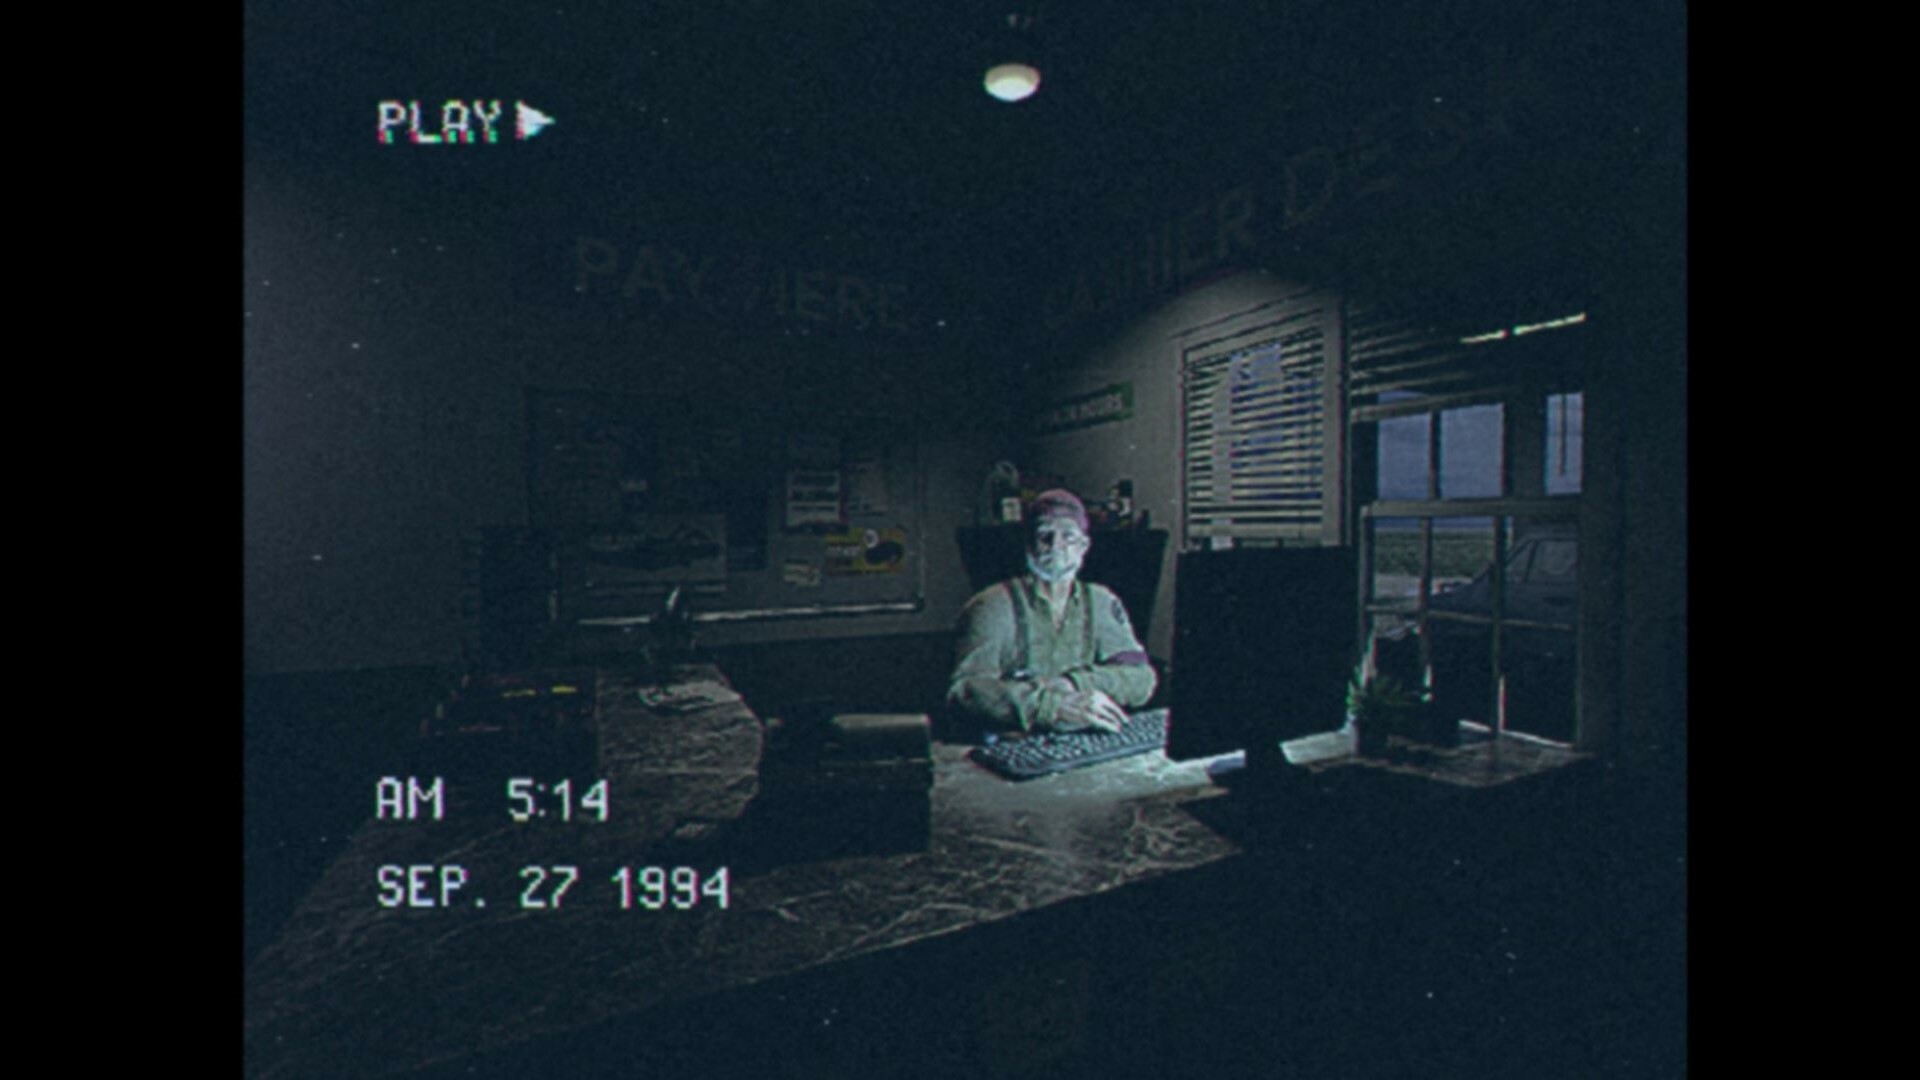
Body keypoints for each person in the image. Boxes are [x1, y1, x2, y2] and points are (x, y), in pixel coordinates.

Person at [947, 489, 1157, 734]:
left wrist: (1073, 683)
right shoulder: (992, 605)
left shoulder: (1100, 601)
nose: (1056, 546)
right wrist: (1050, 705)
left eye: (1068, 536)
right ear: (1028, 544)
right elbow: (965, 691)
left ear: (1084, 546)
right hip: (1015, 740)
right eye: (1045, 535)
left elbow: (1142, 679)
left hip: (1086, 737)